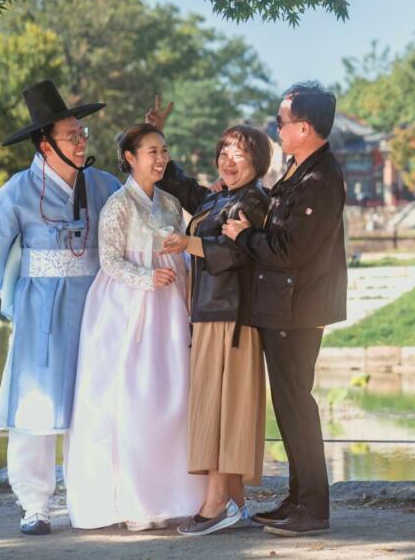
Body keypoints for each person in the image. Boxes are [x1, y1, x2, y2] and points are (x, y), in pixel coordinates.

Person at [0, 81, 121, 535]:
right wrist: (15, 290)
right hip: (41, 312)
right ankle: (35, 504)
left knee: (94, 403)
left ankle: (93, 497)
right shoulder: (18, 190)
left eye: (82, 132)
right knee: (35, 406)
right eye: (72, 135)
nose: (82, 140)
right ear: (45, 143)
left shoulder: (103, 184)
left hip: (94, 305)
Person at [222, 81, 348, 537]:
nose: (276, 129)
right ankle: (298, 499)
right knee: (289, 406)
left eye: (281, 122)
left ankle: (313, 509)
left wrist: (244, 238)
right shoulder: (300, 170)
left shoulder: (319, 178)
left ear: (305, 128)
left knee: (297, 404)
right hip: (284, 305)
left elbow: (291, 250)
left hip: (299, 306)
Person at [65, 123, 204, 531]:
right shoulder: (117, 205)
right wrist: (146, 279)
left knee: (172, 396)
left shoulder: (170, 202)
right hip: (126, 309)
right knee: (133, 398)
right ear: (130, 157)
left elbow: (182, 254)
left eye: (163, 151)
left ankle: (174, 495)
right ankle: (134, 499)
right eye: (151, 152)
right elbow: (108, 259)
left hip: (170, 310)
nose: (160, 159)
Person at [145, 98, 272, 536]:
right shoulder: (223, 197)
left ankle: (216, 504)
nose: (228, 160)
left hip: (232, 318)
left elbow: (237, 251)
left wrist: (187, 244)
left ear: (258, 161)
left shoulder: (254, 200)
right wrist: (159, 135)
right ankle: (234, 503)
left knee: (223, 408)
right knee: (217, 406)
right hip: (209, 313)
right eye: (224, 152)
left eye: (239, 154)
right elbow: (183, 188)